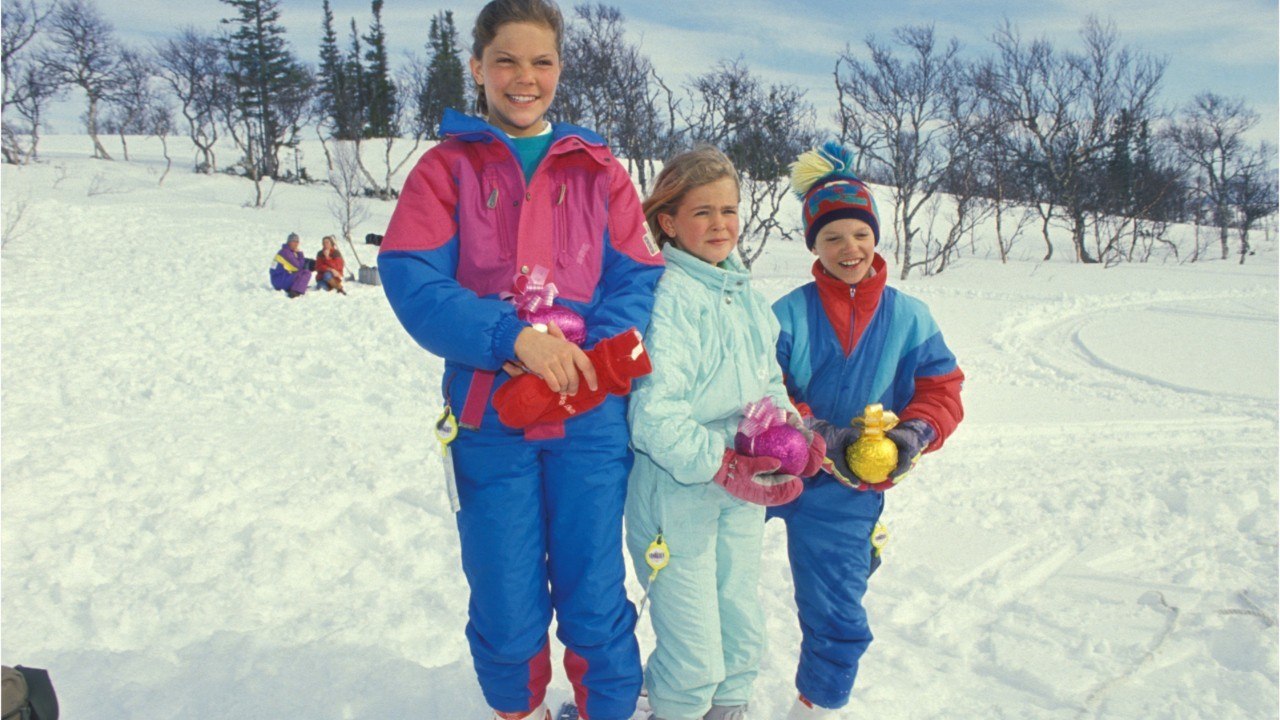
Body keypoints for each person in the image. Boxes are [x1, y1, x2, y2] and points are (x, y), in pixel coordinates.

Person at [376, 1, 663, 718]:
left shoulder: (601, 172)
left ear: (560, 70)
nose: (523, 77)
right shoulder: (446, 169)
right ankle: (518, 709)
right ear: (478, 67)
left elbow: (637, 276)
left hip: (589, 419)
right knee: (504, 592)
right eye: (506, 60)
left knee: (594, 589)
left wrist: (587, 356)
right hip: (489, 414)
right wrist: (511, 339)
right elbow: (413, 277)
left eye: (541, 62)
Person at [624, 146, 825, 720]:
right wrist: (721, 463)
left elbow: (767, 381)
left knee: (740, 632)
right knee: (694, 655)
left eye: (729, 211)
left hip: (741, 491)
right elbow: (653, 414)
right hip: (678, 492)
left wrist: (792, 433)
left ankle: (728, 711)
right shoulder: (668, 298)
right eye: (703, 212)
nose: (720, 225)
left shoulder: (745, 298)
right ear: (668, 222)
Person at [769, 142, 965, 719]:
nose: (847, 248)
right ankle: (685, 677)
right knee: (702, 564)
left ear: (875, 236)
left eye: (858, 233)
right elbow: (765, 383)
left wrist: (913, 436)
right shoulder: (787, 313)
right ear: (814, 246)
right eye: (831, 237)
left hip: (850, 484)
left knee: (836, 603)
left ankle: (819, 704)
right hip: (774, 464)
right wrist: (811, 430)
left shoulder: (910, 318)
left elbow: (940, 389)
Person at [270, 232, 312, 298]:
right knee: (306, 273)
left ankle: (298, 286)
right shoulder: (286, 252)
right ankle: (295, 291)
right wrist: (300, 254)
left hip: (278, 279)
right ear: (289, 242)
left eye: (297, 242)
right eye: (294, 241)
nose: (296, 244)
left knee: (302, 269)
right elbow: (298, 266)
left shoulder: (285, 251)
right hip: (280, 280)